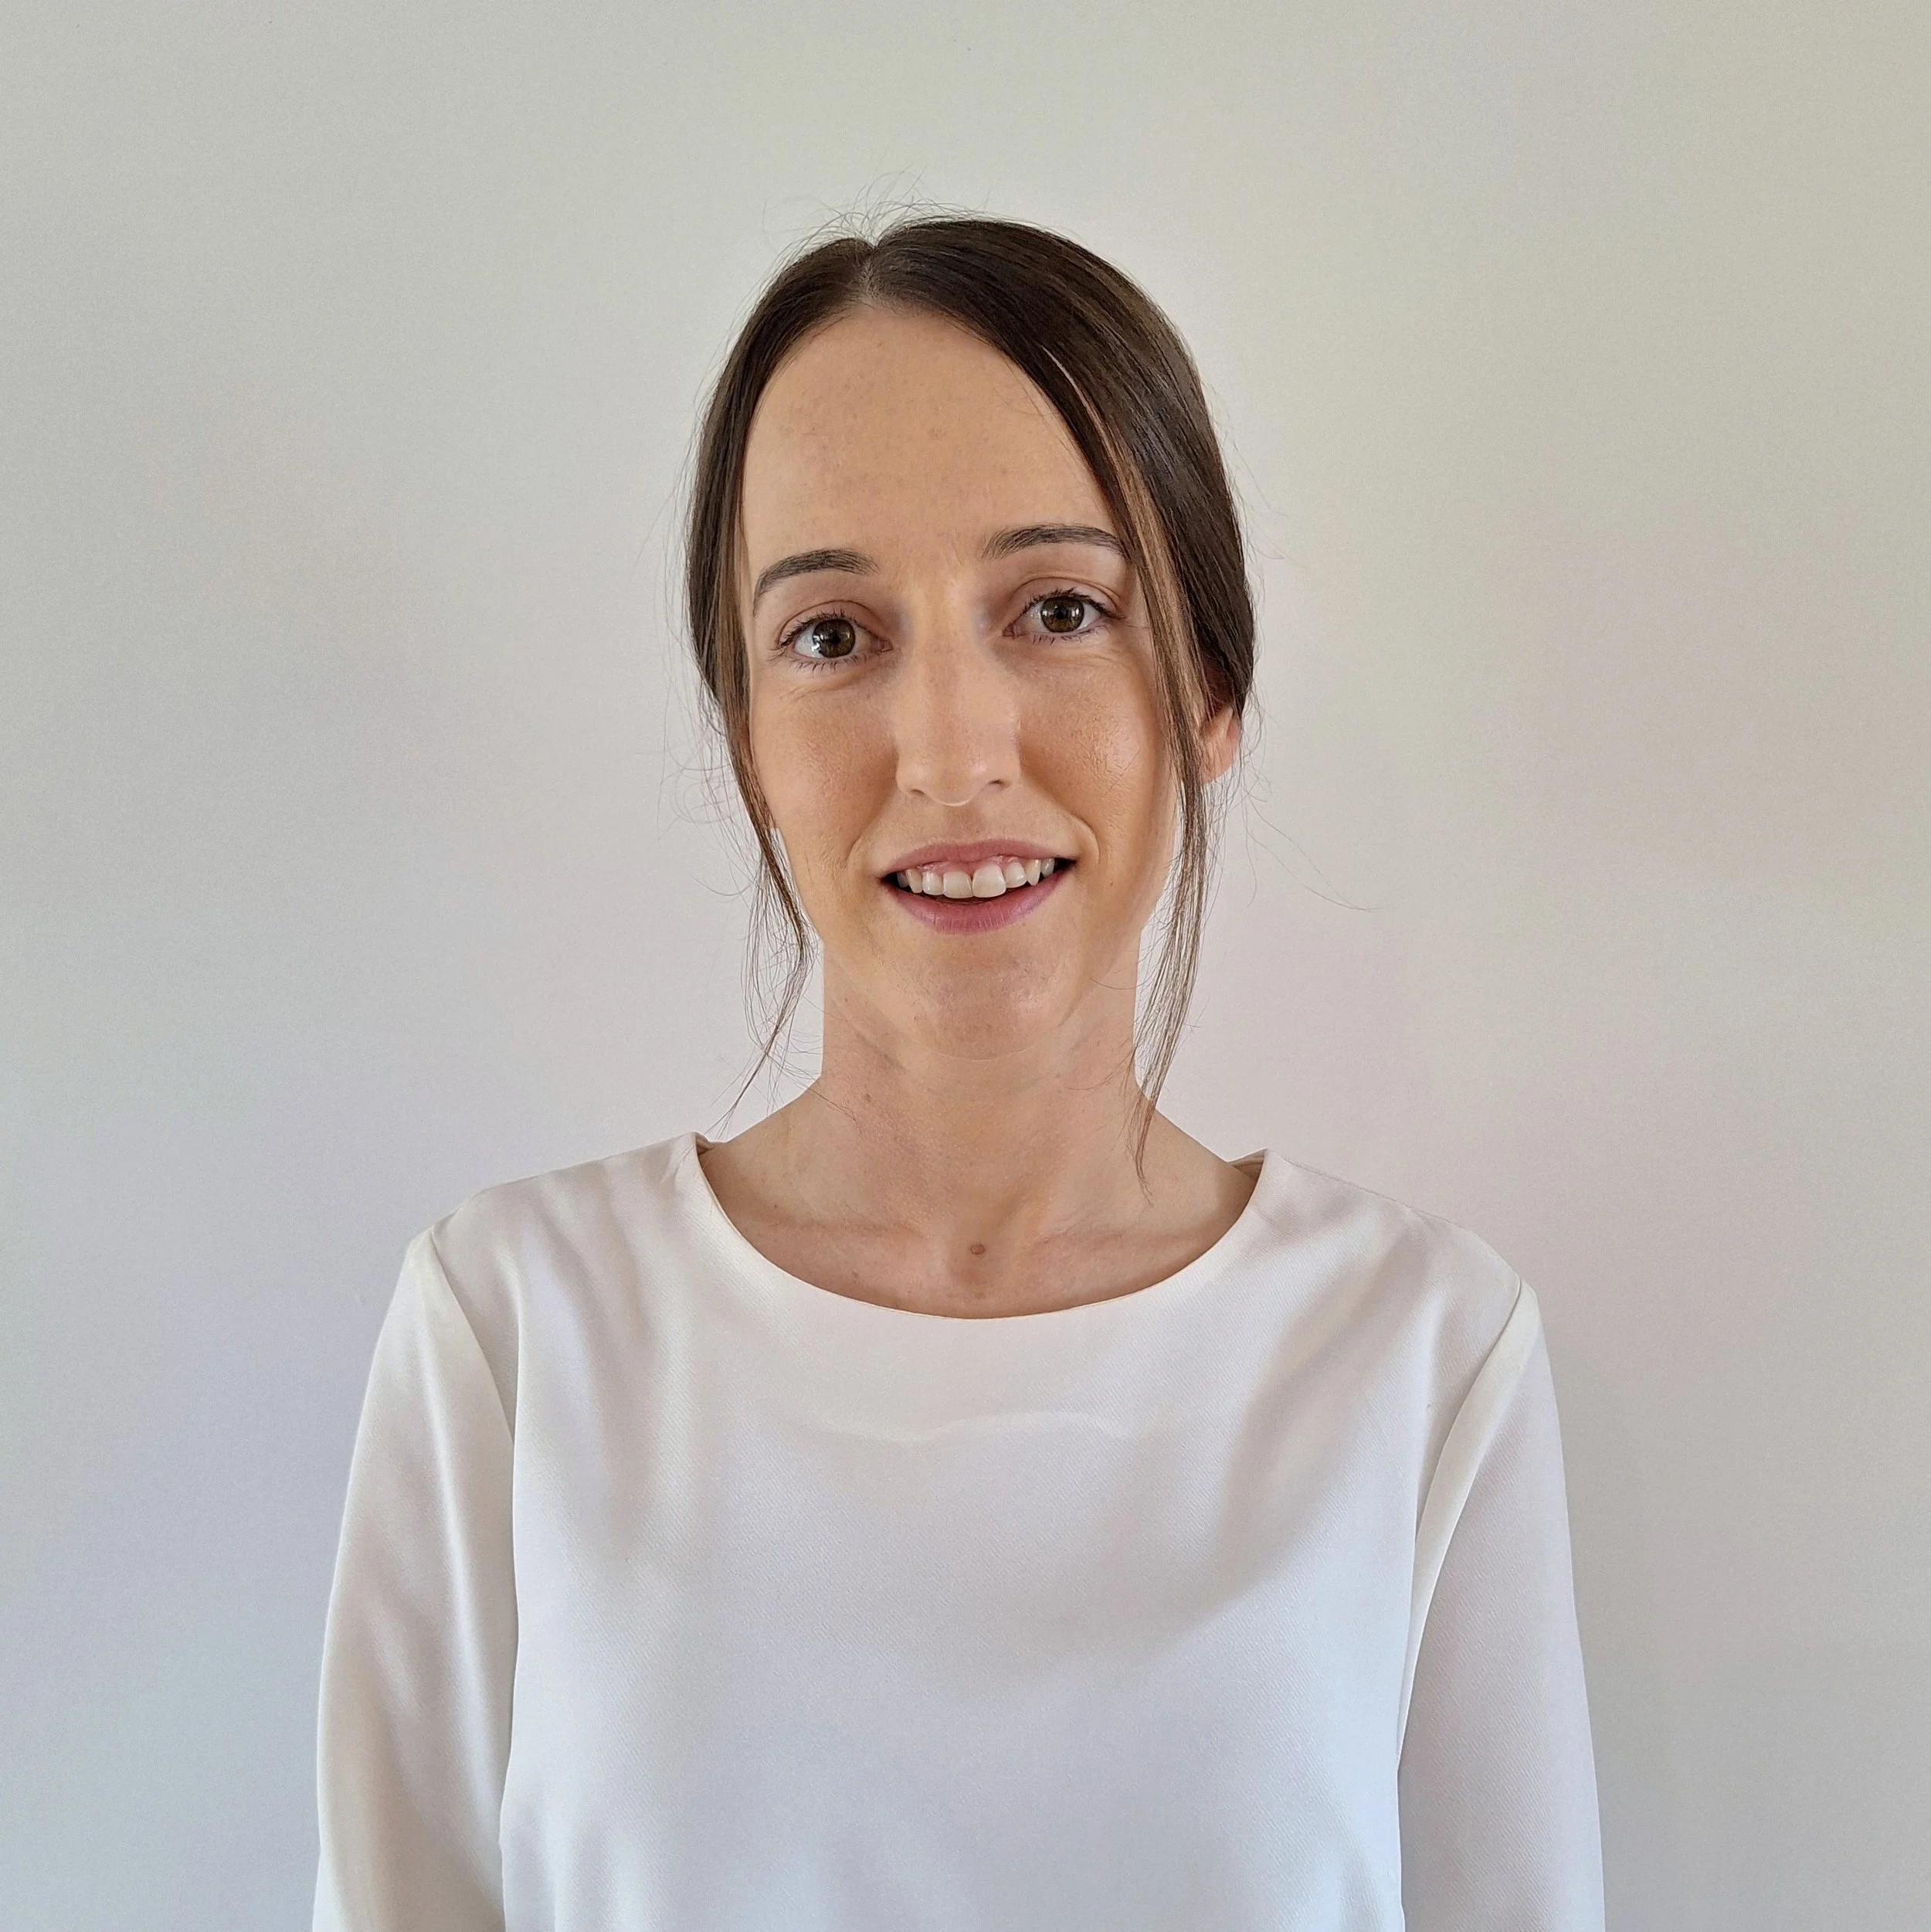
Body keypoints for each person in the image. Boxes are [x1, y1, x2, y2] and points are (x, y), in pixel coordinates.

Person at [312, 214, 1605, 1931]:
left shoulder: (1419, 1359)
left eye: (1055, 608)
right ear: (749, 739)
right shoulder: (517, 1332)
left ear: (1207, 690)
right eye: (834, 635)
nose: (948, 752)